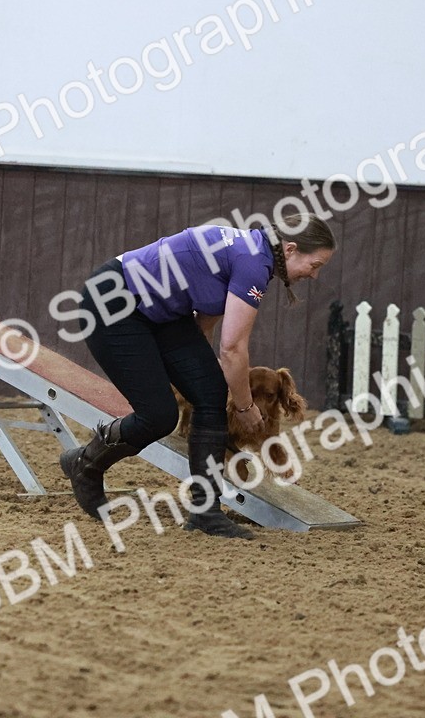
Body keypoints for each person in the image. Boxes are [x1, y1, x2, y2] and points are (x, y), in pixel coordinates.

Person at [59, 213, 336, 538]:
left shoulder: (252, 253)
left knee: (210, 391)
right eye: (315, 265)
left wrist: (198, 374)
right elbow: (232, 348)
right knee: (159, 415)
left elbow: (205, 325)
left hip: (160, 312)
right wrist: (246, 409)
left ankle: (206, 511)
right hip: (113, 302)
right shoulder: (253, 263)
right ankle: (86, 462)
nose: (314, 276)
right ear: (290, 250)